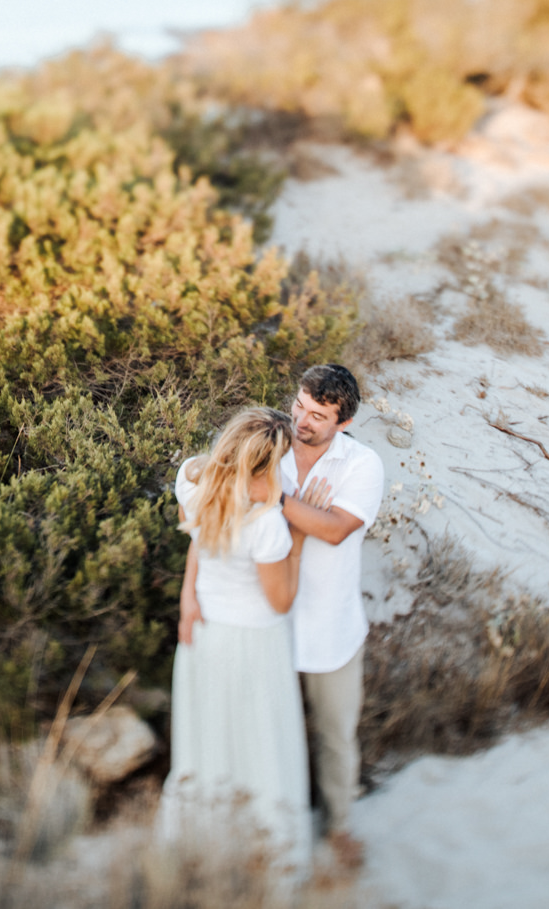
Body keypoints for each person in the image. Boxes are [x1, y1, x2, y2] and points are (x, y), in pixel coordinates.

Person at [161, 406, 315, 873]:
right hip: (253, 644)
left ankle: (199, 846)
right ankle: (266, 854)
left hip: (204, 638)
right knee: (261, 744)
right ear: (267, 464)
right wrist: (300, 538)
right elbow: (281, 600)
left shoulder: (193, 478)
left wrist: (188, 594)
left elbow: (198, 540)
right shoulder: (267, 524)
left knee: (206, 740)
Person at [278, 362, 385, 867]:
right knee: (271, 729)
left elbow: (337, 529)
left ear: (342, 422)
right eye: (299, 406)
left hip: (330, 626)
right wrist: (302, 509)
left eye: (318, 416)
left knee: (335, 734)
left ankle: (339, 824)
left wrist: (274, 499)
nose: (302, 420)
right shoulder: (268, 444)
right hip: (267, 615)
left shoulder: (361, 465)